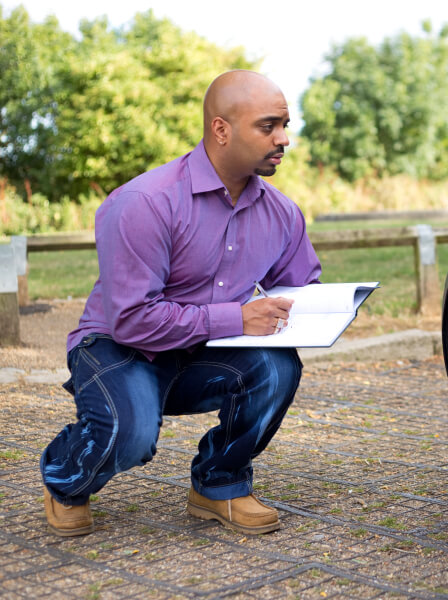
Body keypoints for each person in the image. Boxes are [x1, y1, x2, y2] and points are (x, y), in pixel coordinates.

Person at [40, 70, 322, 537]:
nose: (284, 139)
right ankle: (67, 477)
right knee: (129, 436)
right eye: (268, 126)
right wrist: (238, 317)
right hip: (119, 347)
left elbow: (300, 288)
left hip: (203, 352)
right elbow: (132, 320)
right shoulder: (143, 202)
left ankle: (219, 484)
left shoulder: (282, 212)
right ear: (221, 129)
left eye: (286, 125)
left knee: (277, 369)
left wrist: (327, 308)